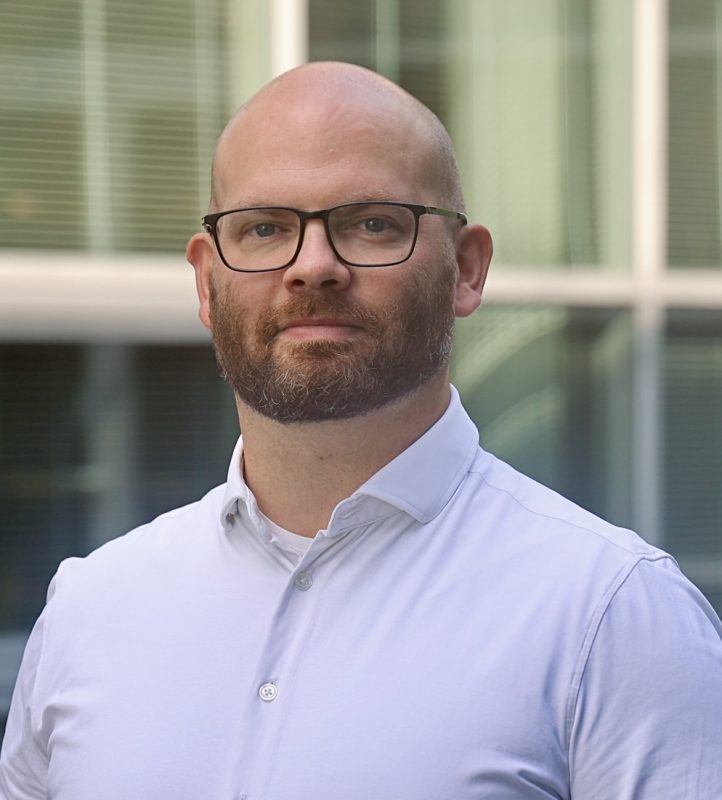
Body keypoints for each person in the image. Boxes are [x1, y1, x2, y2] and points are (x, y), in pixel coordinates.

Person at [1, 61, 721, 800]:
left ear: (467, 269)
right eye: (265, 228)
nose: (313, 267)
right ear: (206, 283)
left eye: (372, 223)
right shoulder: (89, 612)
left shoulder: (615, 618)